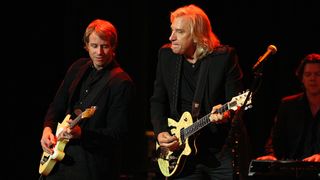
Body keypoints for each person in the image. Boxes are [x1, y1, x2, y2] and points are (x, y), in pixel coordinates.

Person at [150, 4, 246, 180]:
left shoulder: (223, 57)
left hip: (219, 149)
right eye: (172, 31)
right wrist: (160, 131)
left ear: (197, 36)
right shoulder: (166, 56)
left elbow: (236, 100)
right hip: (181, 151)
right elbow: (158, 100)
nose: (171, 37)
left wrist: (226, 113)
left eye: (179, 32)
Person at [39, 19, 135, 180]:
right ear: (86, 46)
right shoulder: (78, 67)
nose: (99, 52)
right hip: (58, 163)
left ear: (113, 47)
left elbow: (118, 135)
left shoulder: (121, 82)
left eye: (105, 46)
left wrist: (82, 134)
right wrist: (47, 129)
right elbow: (57, 105)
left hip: (90, 166)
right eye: (94, 46)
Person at [256, 53, 320, 162]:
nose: (312, 78)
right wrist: (272, 155)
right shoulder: (288, 105)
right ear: (302, 78)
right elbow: (275, 139)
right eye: (308, 74)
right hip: (294, 168)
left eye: (318, 74)